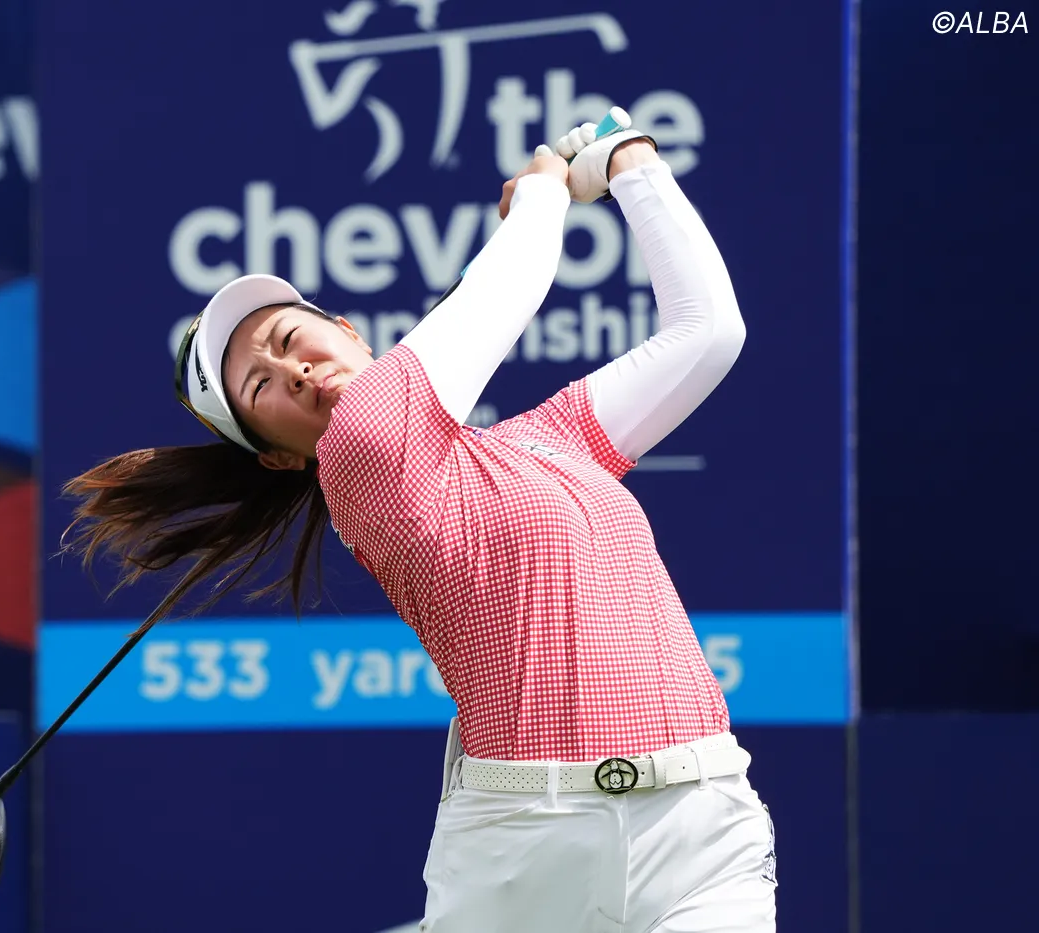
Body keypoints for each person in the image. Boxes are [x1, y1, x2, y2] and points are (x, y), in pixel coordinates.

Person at [60, 112, 775, 932]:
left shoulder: (549, 439)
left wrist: (633, 165)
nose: (294, 370)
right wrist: (544, 190)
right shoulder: (360, 455)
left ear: (347, 331)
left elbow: (708, 332)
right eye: (261, 387)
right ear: (280, 458)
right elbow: (507, 287)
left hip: (699, 820)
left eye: (290, 338)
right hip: (525, 851)